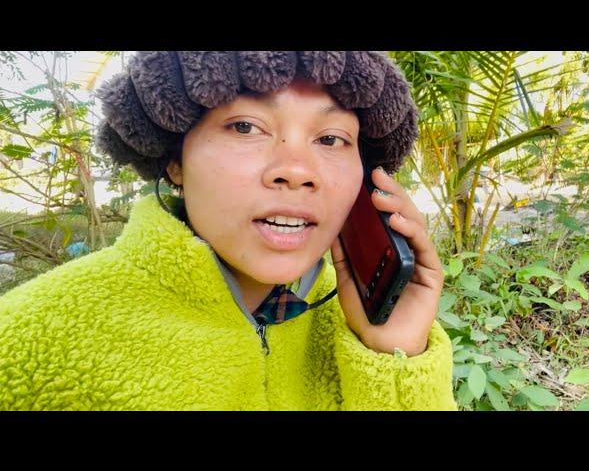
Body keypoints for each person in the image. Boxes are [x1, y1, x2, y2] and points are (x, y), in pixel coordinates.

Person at [0, 51, 456, 410]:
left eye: (331, 138)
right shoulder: (24, 340)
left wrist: (394, 358)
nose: (296, 171)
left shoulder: (355, 319)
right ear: (175, 160)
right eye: (245, 126)